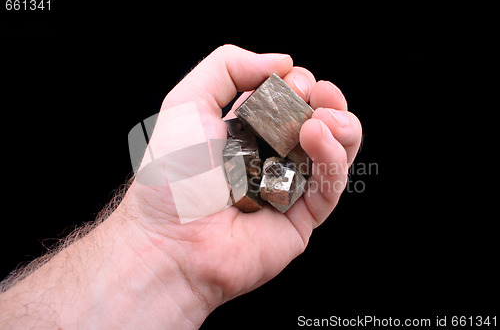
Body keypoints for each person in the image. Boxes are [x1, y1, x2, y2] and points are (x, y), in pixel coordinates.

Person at [0, 45, 362, 329]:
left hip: (262, 175)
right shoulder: (237, 143)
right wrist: (159, 248)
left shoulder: (272, 161)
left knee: (314, 134)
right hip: (241, 175)